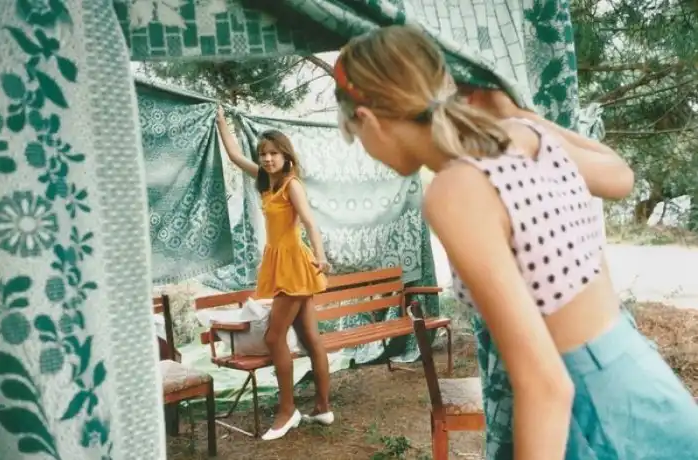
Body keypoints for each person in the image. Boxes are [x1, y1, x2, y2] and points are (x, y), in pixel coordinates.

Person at [332, 25, 698, 459]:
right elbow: (620, 177)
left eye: (353, 136)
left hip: (590, 415)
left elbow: (547, 384)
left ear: (367, 119)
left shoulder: (455, 190)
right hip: (642, 380)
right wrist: (523, 115)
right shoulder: (521, 136)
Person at [216, 107, 333, 441]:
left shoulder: (291, 185)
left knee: (273, 337)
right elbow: (235, 156)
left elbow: (309, 221)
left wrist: (321, 257)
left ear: (286, 156)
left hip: (294, 264)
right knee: (310, 338)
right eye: (263, 154)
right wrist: (221, 121)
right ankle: (322, 408)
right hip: (281, 261)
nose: (267, 159)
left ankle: (287, 411)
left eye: (273, 154)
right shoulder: (266, 180)